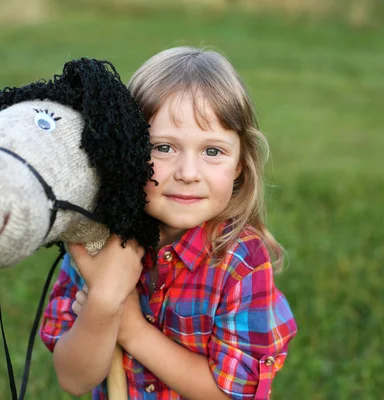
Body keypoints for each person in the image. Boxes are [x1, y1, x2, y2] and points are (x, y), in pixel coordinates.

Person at [40, 46, 298, 399]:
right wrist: (103, 303)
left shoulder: (240, 263)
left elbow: (233, 395)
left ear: (239, 163)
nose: (188, 174)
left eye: (212, 151)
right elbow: (73, 380)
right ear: (129, 148)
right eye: (163, 148)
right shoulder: (96, 243)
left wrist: (132, 330)